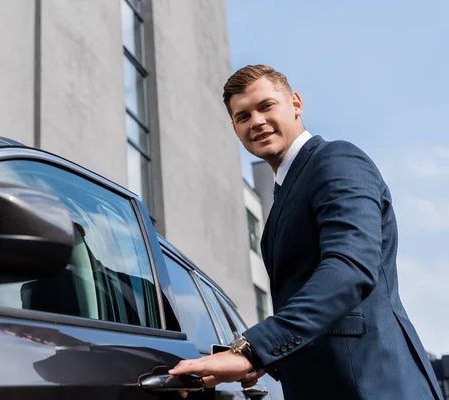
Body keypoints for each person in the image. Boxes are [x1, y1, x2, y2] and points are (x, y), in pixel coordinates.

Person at [169, 65, 442, 400]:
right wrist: (267, 361)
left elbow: (349, 268)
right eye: (243, 117)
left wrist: (254, 349)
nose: (256, 121)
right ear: (235, 129)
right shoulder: (287, 191)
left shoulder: (337, 160)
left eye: (266, 106)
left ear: (295, 103)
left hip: (374, 385)